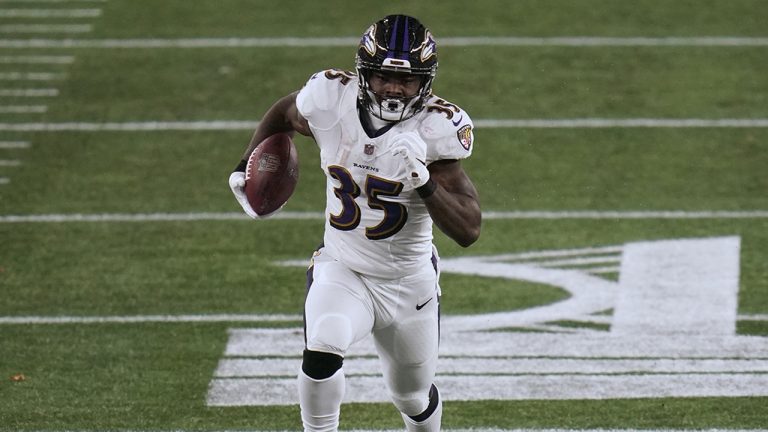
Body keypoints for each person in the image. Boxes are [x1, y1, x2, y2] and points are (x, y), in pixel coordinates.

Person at [229, 14, 481, 432]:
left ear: (426, 82)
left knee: (412, 396)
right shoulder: (332, 99)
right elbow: (285, 113)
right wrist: (246, 166)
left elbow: (469, 230)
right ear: (365, 72)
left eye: (408, 80)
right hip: (345, 266)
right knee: (323, 345)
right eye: (384, 76)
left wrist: (423, 182)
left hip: (408, 282)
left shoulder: (436, 131)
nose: (395, 89)